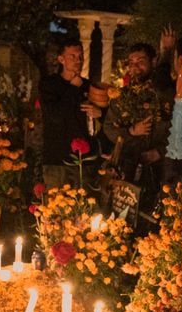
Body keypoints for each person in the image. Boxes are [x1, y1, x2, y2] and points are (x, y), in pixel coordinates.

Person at [103, 43, 170, 213]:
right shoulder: (121, 97)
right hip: (128, 168)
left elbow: (179, 130)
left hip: (160, 168)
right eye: (131, 62)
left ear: (153, 62)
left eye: (140, 61)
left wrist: (160, 151)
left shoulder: (165, 95)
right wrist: (131, 131)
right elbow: (109, 128)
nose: (135, 67)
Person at [39, 38, 101, 189]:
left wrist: (99, 113)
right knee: (57, 207)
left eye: (80, 56)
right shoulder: (49, 85)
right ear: (61, 59)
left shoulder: (89, 87)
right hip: (57, 159)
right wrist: (73, 89)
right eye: (72, 56)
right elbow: (54, 115)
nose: (77, 60)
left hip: (84, 160)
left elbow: (100, 121)